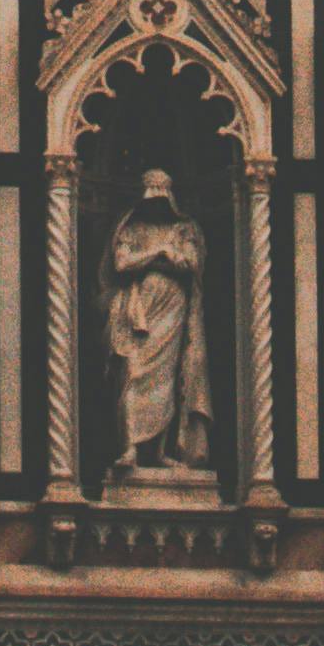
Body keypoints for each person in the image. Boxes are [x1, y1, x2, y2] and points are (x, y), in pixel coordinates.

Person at [103, 169, 210, 472]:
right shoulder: (131, 229)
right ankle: (129, 449)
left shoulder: (184, 228)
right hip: (138, 311)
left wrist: (153, 257)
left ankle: (160, 452)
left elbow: (190, 263)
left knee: (168, 379)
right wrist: (160, 252)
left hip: (172, 310)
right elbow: (122, 263)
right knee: (132, 373)